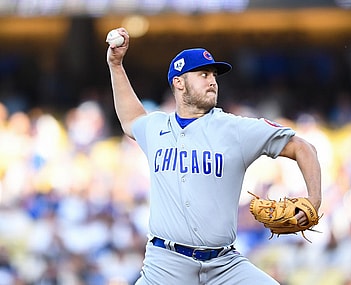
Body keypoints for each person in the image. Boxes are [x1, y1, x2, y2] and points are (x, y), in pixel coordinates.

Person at [106, 27, 322, 285]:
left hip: (224, 265)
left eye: (214, 75)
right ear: (178, 82)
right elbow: (131, 118)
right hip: (165, 266)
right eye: (203, 74)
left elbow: (303, 147)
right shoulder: (156, 127)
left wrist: (314, 199)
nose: (212, 80)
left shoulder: (236, 129)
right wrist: (116, 65)